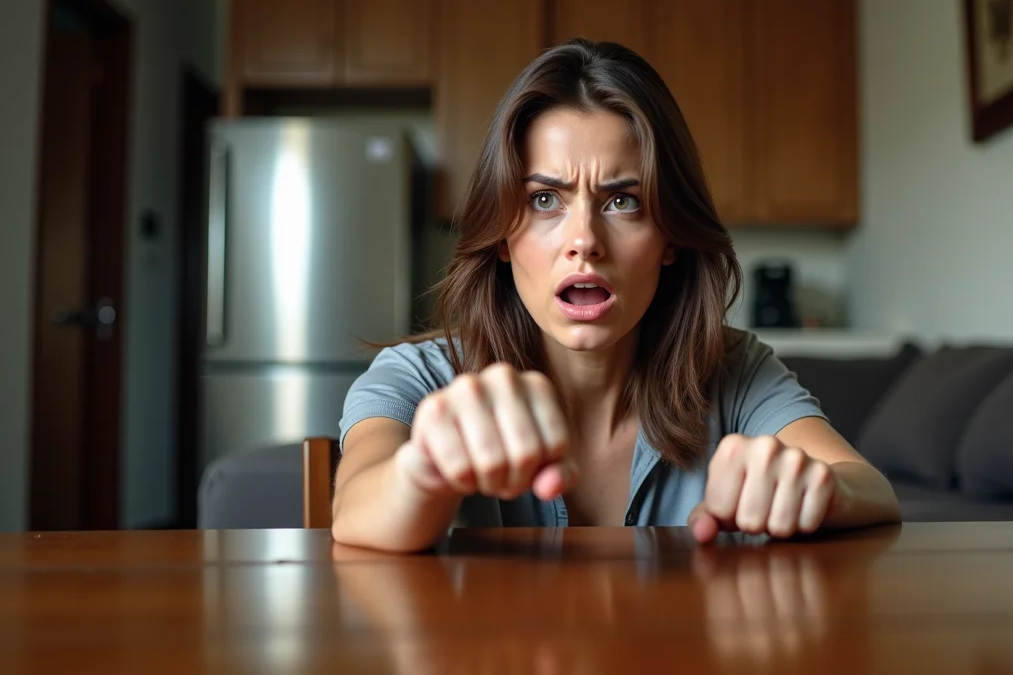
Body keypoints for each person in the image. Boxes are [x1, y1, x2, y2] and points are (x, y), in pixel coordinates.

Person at [331, 39, 901, 553]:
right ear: (503, 236)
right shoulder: (420, 374)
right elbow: (357, 509)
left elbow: (868, 487)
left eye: (622, 202)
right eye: (545, 201)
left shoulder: (734, 370)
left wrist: (816, 490)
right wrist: (424, 473)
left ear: (670, 239)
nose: (584, 241)